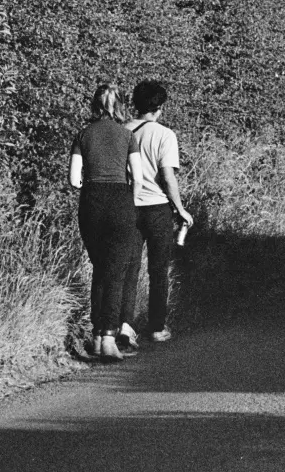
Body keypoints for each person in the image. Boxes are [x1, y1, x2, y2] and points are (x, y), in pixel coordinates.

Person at [69, 84, 141, 362]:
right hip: (119, 201)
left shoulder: (83, 135)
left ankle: (97, 336)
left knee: (100, 268)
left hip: (91, 203)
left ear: (95, 105)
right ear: (120, 105)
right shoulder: (127, 136)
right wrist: (130, 203)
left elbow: (74, 180)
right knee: (116, 271)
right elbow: (139, 176)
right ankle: (109, 338)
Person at [126, 79, 193, 345]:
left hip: (128, 206)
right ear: (160, 108)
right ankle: (156, 326)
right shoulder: (165, 135)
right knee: (158, 269)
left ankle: (124, 325)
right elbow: (167, 177)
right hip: (156, 208)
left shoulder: (123, 131)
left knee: (129, 269)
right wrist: (180, 208)